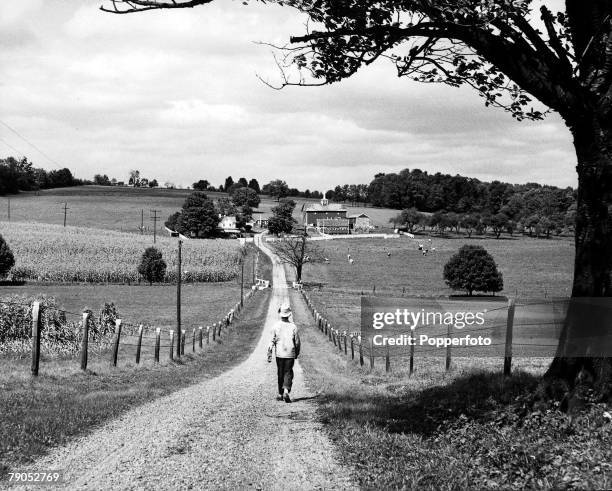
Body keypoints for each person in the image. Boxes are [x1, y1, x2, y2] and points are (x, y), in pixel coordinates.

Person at [267, 303, 300, 403]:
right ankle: (286, 390)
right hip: (290, 353)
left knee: (280, 372)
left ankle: (280, 393)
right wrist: (297, 353)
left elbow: (271, 340)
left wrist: (269, 352)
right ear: (289, 315)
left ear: (280, 314)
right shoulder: (293, 327)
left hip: (279, 354)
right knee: (288, 372)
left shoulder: (276, 326)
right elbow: (297, 342)